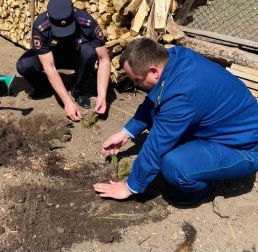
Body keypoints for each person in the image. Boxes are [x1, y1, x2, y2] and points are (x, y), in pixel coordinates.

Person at [93, 38, 258, 206]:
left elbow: (156, 147)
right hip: (222, 126)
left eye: (137, 80)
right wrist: (125, 133)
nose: (135, 84)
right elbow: (155, 100)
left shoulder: (181, 96)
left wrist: (130, 187)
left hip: (244, 147)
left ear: (153, 71)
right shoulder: (174, 57)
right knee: (159, 117)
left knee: (175, 166)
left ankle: (204, 187)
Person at [16, 0, 111, 122]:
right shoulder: (40, 26)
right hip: (53, 56)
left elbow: (104, 59)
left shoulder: (86, 21)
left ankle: (79, 90)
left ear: (74, 14)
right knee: (24, 64)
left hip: (76, 56)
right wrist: (67, 103)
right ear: (49, 17)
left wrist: (102, 95)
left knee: (90, 52)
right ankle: (44, 87)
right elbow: (49, 68)